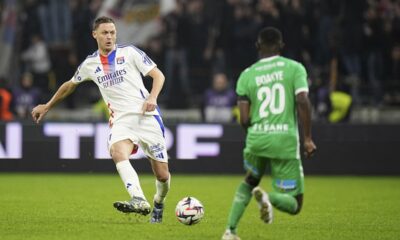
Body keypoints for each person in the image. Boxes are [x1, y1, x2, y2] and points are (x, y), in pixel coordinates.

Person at [31, 16, 170, 224]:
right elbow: (70, 84)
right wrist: (48, 105)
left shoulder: (130, 52)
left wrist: (152, 97)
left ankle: (158, 202)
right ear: (94, 35)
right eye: (105, 33)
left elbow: (158, 75)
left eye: (112, 32)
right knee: (116, 151)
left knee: (162, 175)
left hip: (147, 117)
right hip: (121, 120)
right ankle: (138, 198)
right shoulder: (90, 63)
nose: (109, 37)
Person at [222, 27, 317, 240]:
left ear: (257, 46)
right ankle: (268, 197)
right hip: (284, 140)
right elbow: (302, 100)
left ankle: (230, 230)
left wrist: (256, 134)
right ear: (281, 45)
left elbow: (244, 118)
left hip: (256, 138)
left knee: (250, 179)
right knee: (295, 204)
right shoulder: (295, 68)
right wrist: (308, 138)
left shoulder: (247, 75)